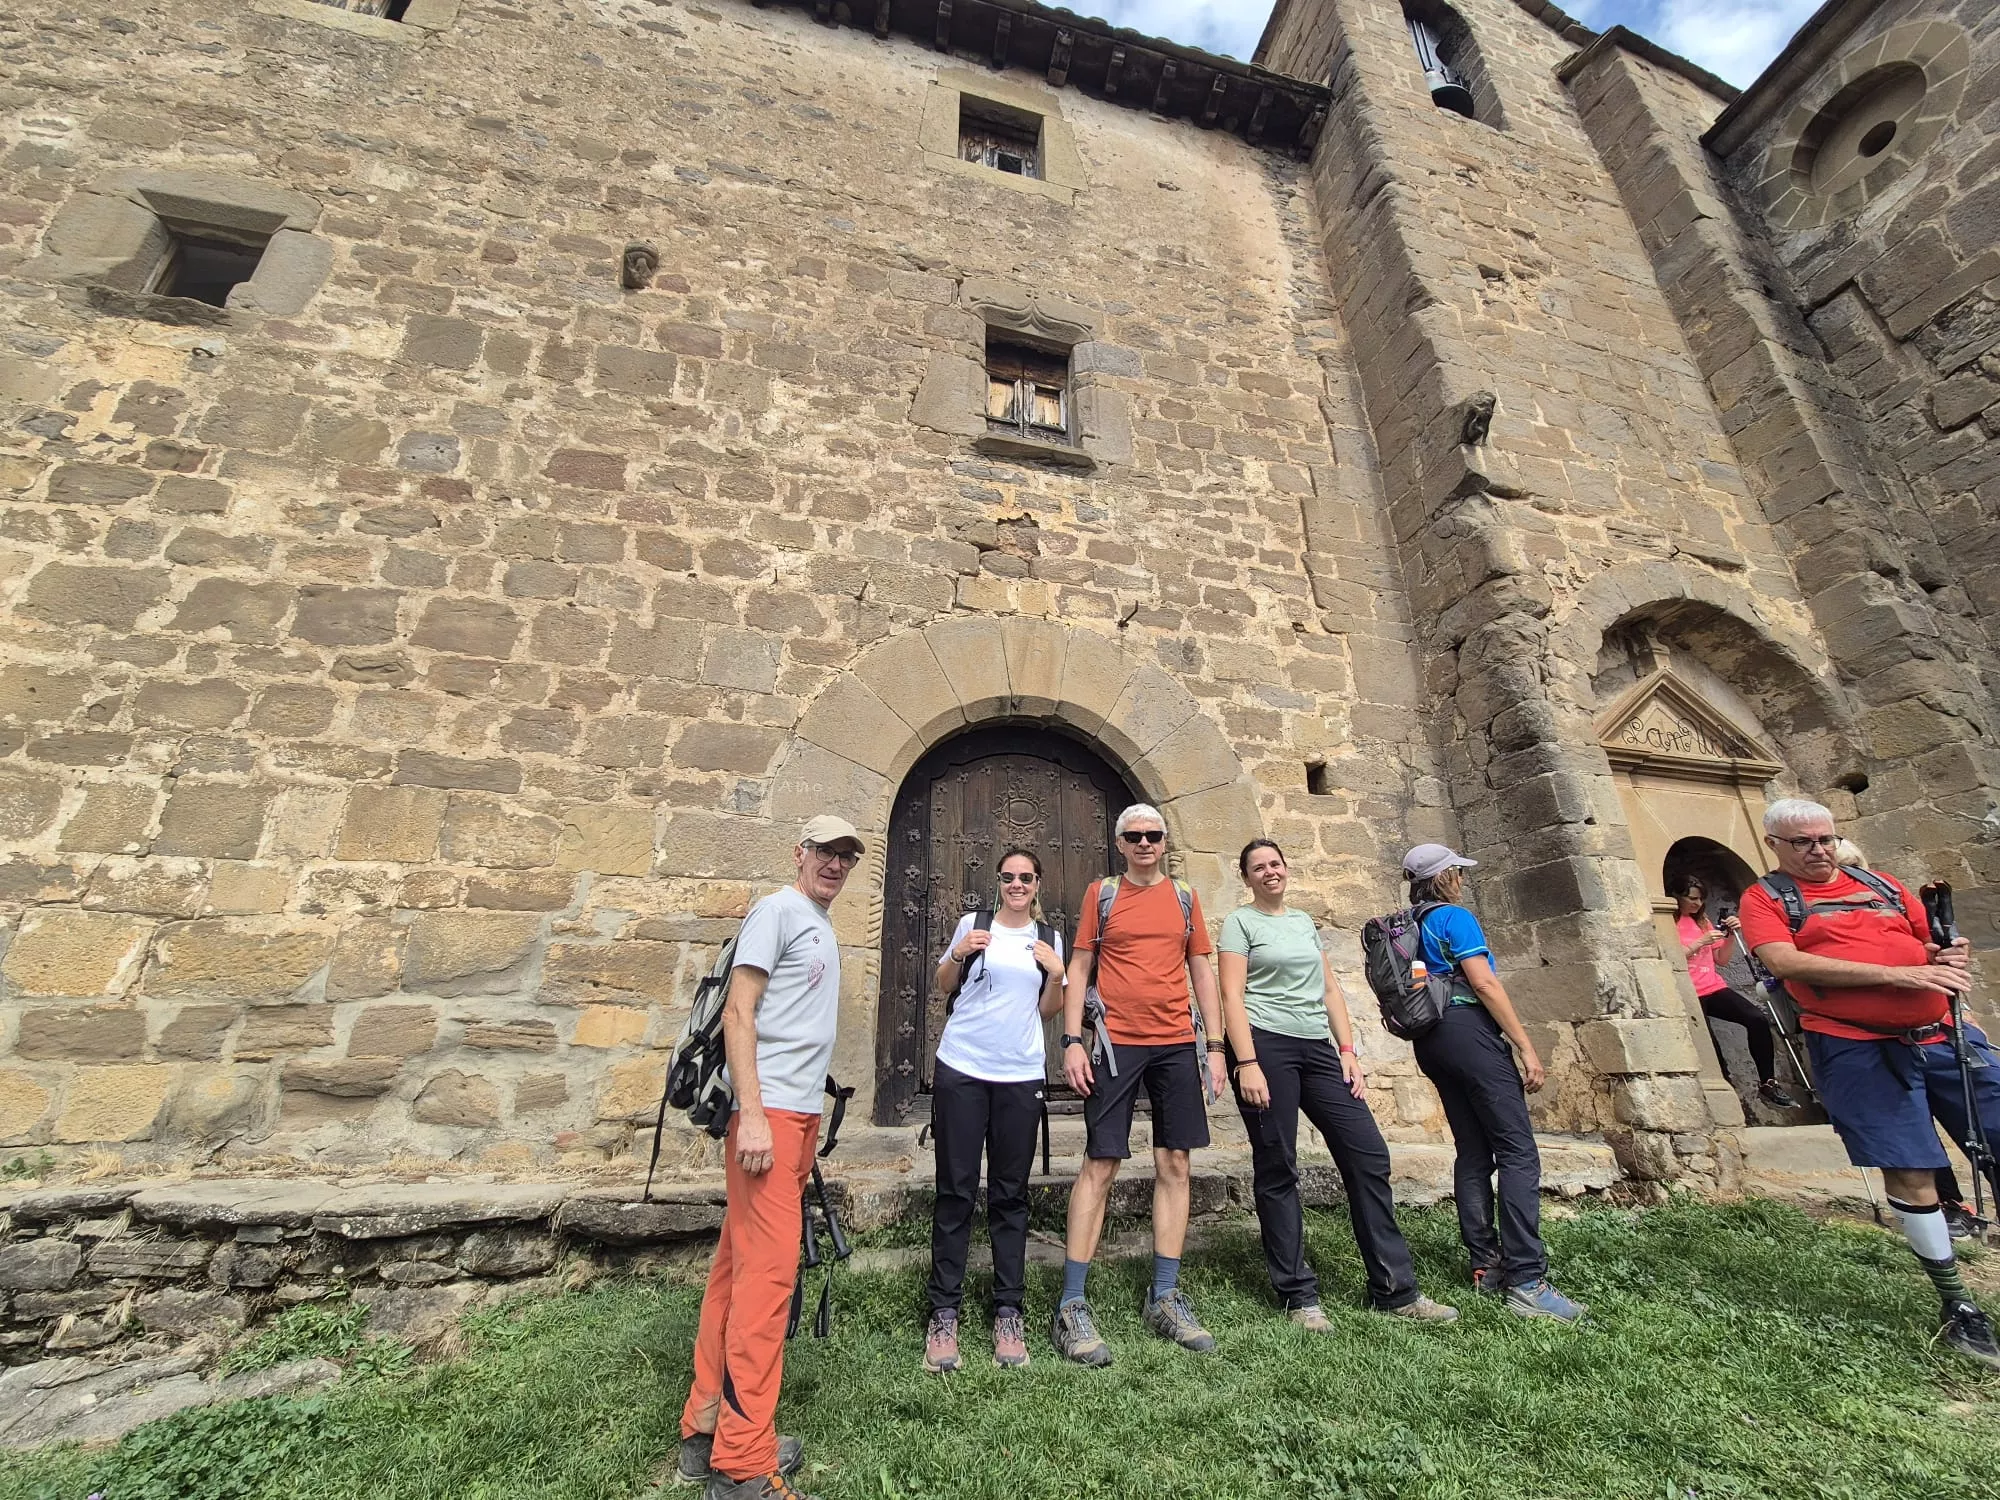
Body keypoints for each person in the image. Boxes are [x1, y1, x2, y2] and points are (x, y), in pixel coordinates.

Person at [1738, 797, 2000, 1367]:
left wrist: (1943, 953)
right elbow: (1784, 963)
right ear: (1775, 846)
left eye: (1826, 838)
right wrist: (1901, 973)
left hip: (1944, 1033)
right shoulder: (1766, 898)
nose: (1818, 850)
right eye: (1803, 842)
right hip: (1855, 1041)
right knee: (1908, 1167)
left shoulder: (1879, 884)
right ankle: (1958, 1305)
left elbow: (1925, 940)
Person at [678, 815, 865, 1500]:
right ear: (800, 852)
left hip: (794, 1120)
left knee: (737, 1272)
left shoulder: (814, 920)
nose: (835, 864)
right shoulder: (778, 910)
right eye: (825, 851)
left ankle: (705, 1432)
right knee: (768, 1286)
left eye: (846, 856)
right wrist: (753, 1114)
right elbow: (739, 1011)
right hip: (770, 1122)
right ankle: (744, 1465)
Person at [1219, 839, 1458, 1329]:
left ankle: (1395, 1289)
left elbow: (1329, 989)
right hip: (1266, 1043)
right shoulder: (1240, 923)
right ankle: (1298, 1296)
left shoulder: (1305, 922)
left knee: (1368, 1154)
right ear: (1245, 878)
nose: (1269, 872)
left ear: (1286, 870)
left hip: (1317, 1047)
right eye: (1259, 867)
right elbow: (1231, 995)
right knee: (1278, 1164)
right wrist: (1246, 1062)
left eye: (1276, 864)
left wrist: (1348, 1052)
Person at [1053, 803, 1225, 1364]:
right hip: (1115, 1042)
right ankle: (1072, 1305)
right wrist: (1073, 1040)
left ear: (1164, 841)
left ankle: (1165, 1295)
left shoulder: (1185, 897)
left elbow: (1201, 969)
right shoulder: (1101, 895)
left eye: (1154, 835)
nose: (1145, 843)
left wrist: (1216, 1048)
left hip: (1176, 1042)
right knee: (1100, 1163)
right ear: (1121, 843)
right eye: (1135, 836)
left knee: (1175, 1162)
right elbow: (1079, 968)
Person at [1399, 843, 1587, 1322]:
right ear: (1447, 877)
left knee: (1474, 1151)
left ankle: (1485, 1265)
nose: (1461, 878)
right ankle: (1527, 1279)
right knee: (1519, 1152)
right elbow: (1483, 983)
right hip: (1470, 1034)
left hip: (1431, 1041)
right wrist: (1524, 1044)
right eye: (1457, 871)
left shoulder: (1406, 926)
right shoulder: (1453, 918)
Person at [923, 848, 1066, 1373]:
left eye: (1026, 878)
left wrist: (1056, 974)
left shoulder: (1050, 939)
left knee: (1010, 1195)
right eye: (1008, 877)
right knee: (956, 1191)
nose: (1017, 885)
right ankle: (944, 1314)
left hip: (1019, 1074)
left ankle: (1009, 1313)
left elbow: (1047, 1011)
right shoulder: (973, 923)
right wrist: (958, 953)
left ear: (1038, 884)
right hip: (961, 1068)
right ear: (999, 882)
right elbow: (943, 984)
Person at [1671, 875, 1800, 1109]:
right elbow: (1671, 957)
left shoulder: (1702, 921)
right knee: (1710, 1045)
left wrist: (1730, 936)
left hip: (1712, 985)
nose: (1697, 904)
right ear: (1677, 897)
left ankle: (1768, 1082)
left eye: (1700, 899)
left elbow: (1721, 959)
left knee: (1756, 1019)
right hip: (1689, 990)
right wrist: (1699, 943)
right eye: (1692, 899)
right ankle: (1724, 1098)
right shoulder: (1668, 921)